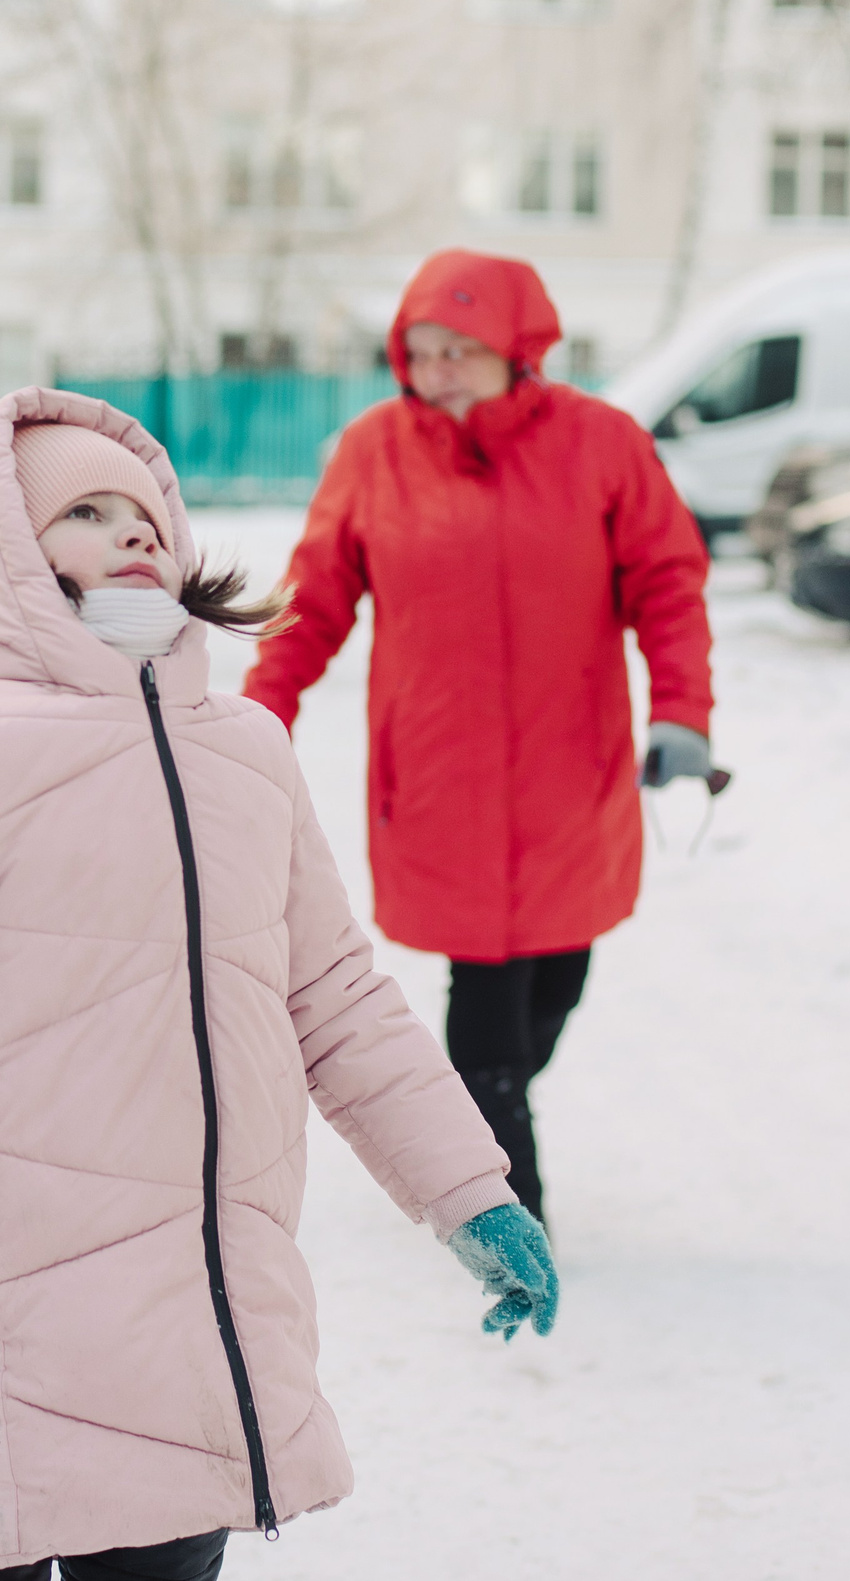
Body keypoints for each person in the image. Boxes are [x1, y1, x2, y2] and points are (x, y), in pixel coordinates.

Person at [0, 391, 557, 1581]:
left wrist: (468, 1191)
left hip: (186, 1326)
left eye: (144, 512)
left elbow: (338, 997)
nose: (133, 532)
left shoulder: (245, 751)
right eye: (83, 511)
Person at [242, 249, 717, 1225]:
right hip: (438, 770)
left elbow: (667, 584)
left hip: (568, 770)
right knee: (486, 984)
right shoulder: (374, 450)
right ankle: (502, 1198)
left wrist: (681, 712)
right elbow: (314, 596)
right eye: (422, 350)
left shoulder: (603, 444)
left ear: (519, 351)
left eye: (463, 349)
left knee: (557, 974)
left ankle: (481, 1104)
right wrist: (259, 709)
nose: (440, 369)